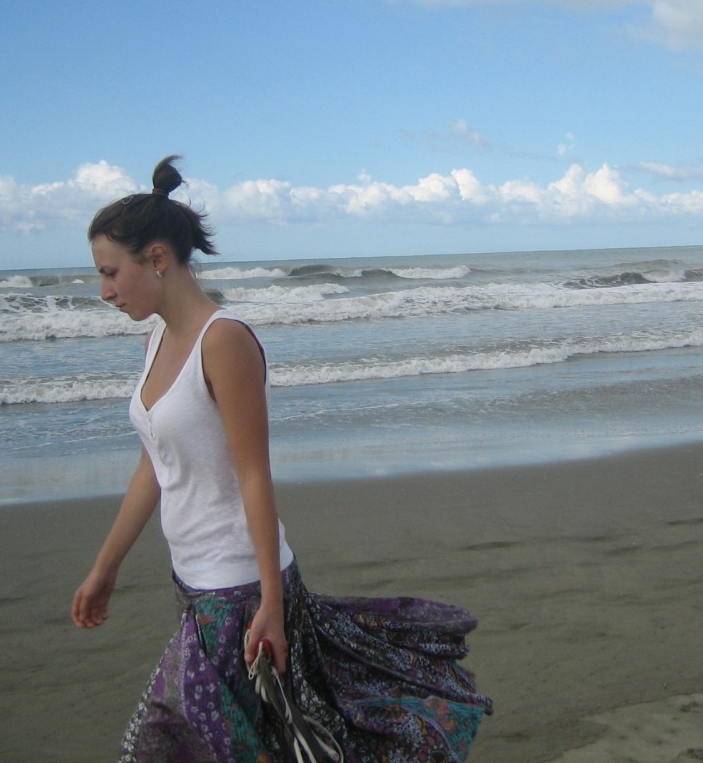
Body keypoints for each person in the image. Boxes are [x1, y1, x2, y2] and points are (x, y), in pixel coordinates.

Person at [72, 156, 492, 763]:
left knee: (164, 745)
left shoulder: (224, 341)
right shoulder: (156, 339)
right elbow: (153, 467)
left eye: (111, 273)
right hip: (193, 583)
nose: (105, 291)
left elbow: (254, 476)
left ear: (157, 258)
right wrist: (104, 568)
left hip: (238, 589)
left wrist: (272, 604)